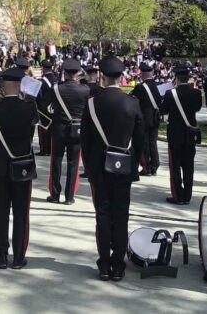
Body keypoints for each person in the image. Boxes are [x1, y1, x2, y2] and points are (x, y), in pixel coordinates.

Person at [81, 56, 146, 281]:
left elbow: (85, 140)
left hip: (99, 166)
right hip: (124, 164)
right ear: (121, 77)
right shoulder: (132, 103)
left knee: (102, 214)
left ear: (102, 76)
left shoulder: (92, 103)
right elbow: (140, 139)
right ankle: (118, 264)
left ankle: (104, 264)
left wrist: (90, 165)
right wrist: (134, 163)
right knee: (121, 214)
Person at [0, 66, 39, 268]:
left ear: (3, 86)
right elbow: (35, 125)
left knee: (0, 211)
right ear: (20, 85)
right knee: (21, 212)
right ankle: (18, 257)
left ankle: (1, 255)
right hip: (22, 163)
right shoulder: (30, 108)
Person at [46, 58, 88, 205]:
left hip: (59, 128)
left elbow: (47, 105)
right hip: (77, 129)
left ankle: (55, 194)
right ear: (78, 72)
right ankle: (69, 196)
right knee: (74, 163)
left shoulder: (56, 88)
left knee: (56, 161)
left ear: (64, 72)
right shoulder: (85, 90)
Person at [161, 63, 202, 205]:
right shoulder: (196, 93)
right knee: (189, 166)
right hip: (190, 134)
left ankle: (178, 195)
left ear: (176, 78)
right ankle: (187, 196)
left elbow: (163, 110)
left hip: (175, 133)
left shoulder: (170, 94)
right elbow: (197, 108)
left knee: (175, 166)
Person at [130, 62, 162, 176]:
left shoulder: (140, 87)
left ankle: (146, 167)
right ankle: (155, 166)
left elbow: (132, 100)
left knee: (144, 143)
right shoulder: (159, 85)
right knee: (153, 142)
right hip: (156, 117)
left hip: (144, 118)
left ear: (142, 74)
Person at [35, 59, 57, 156]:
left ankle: (44, 150)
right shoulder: (57, 79)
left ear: (43, 69)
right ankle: (52, 149)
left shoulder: (41, 81)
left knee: (43, 129)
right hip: (55, 107)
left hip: (43, 109)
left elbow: (37, 96)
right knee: (53, 129)